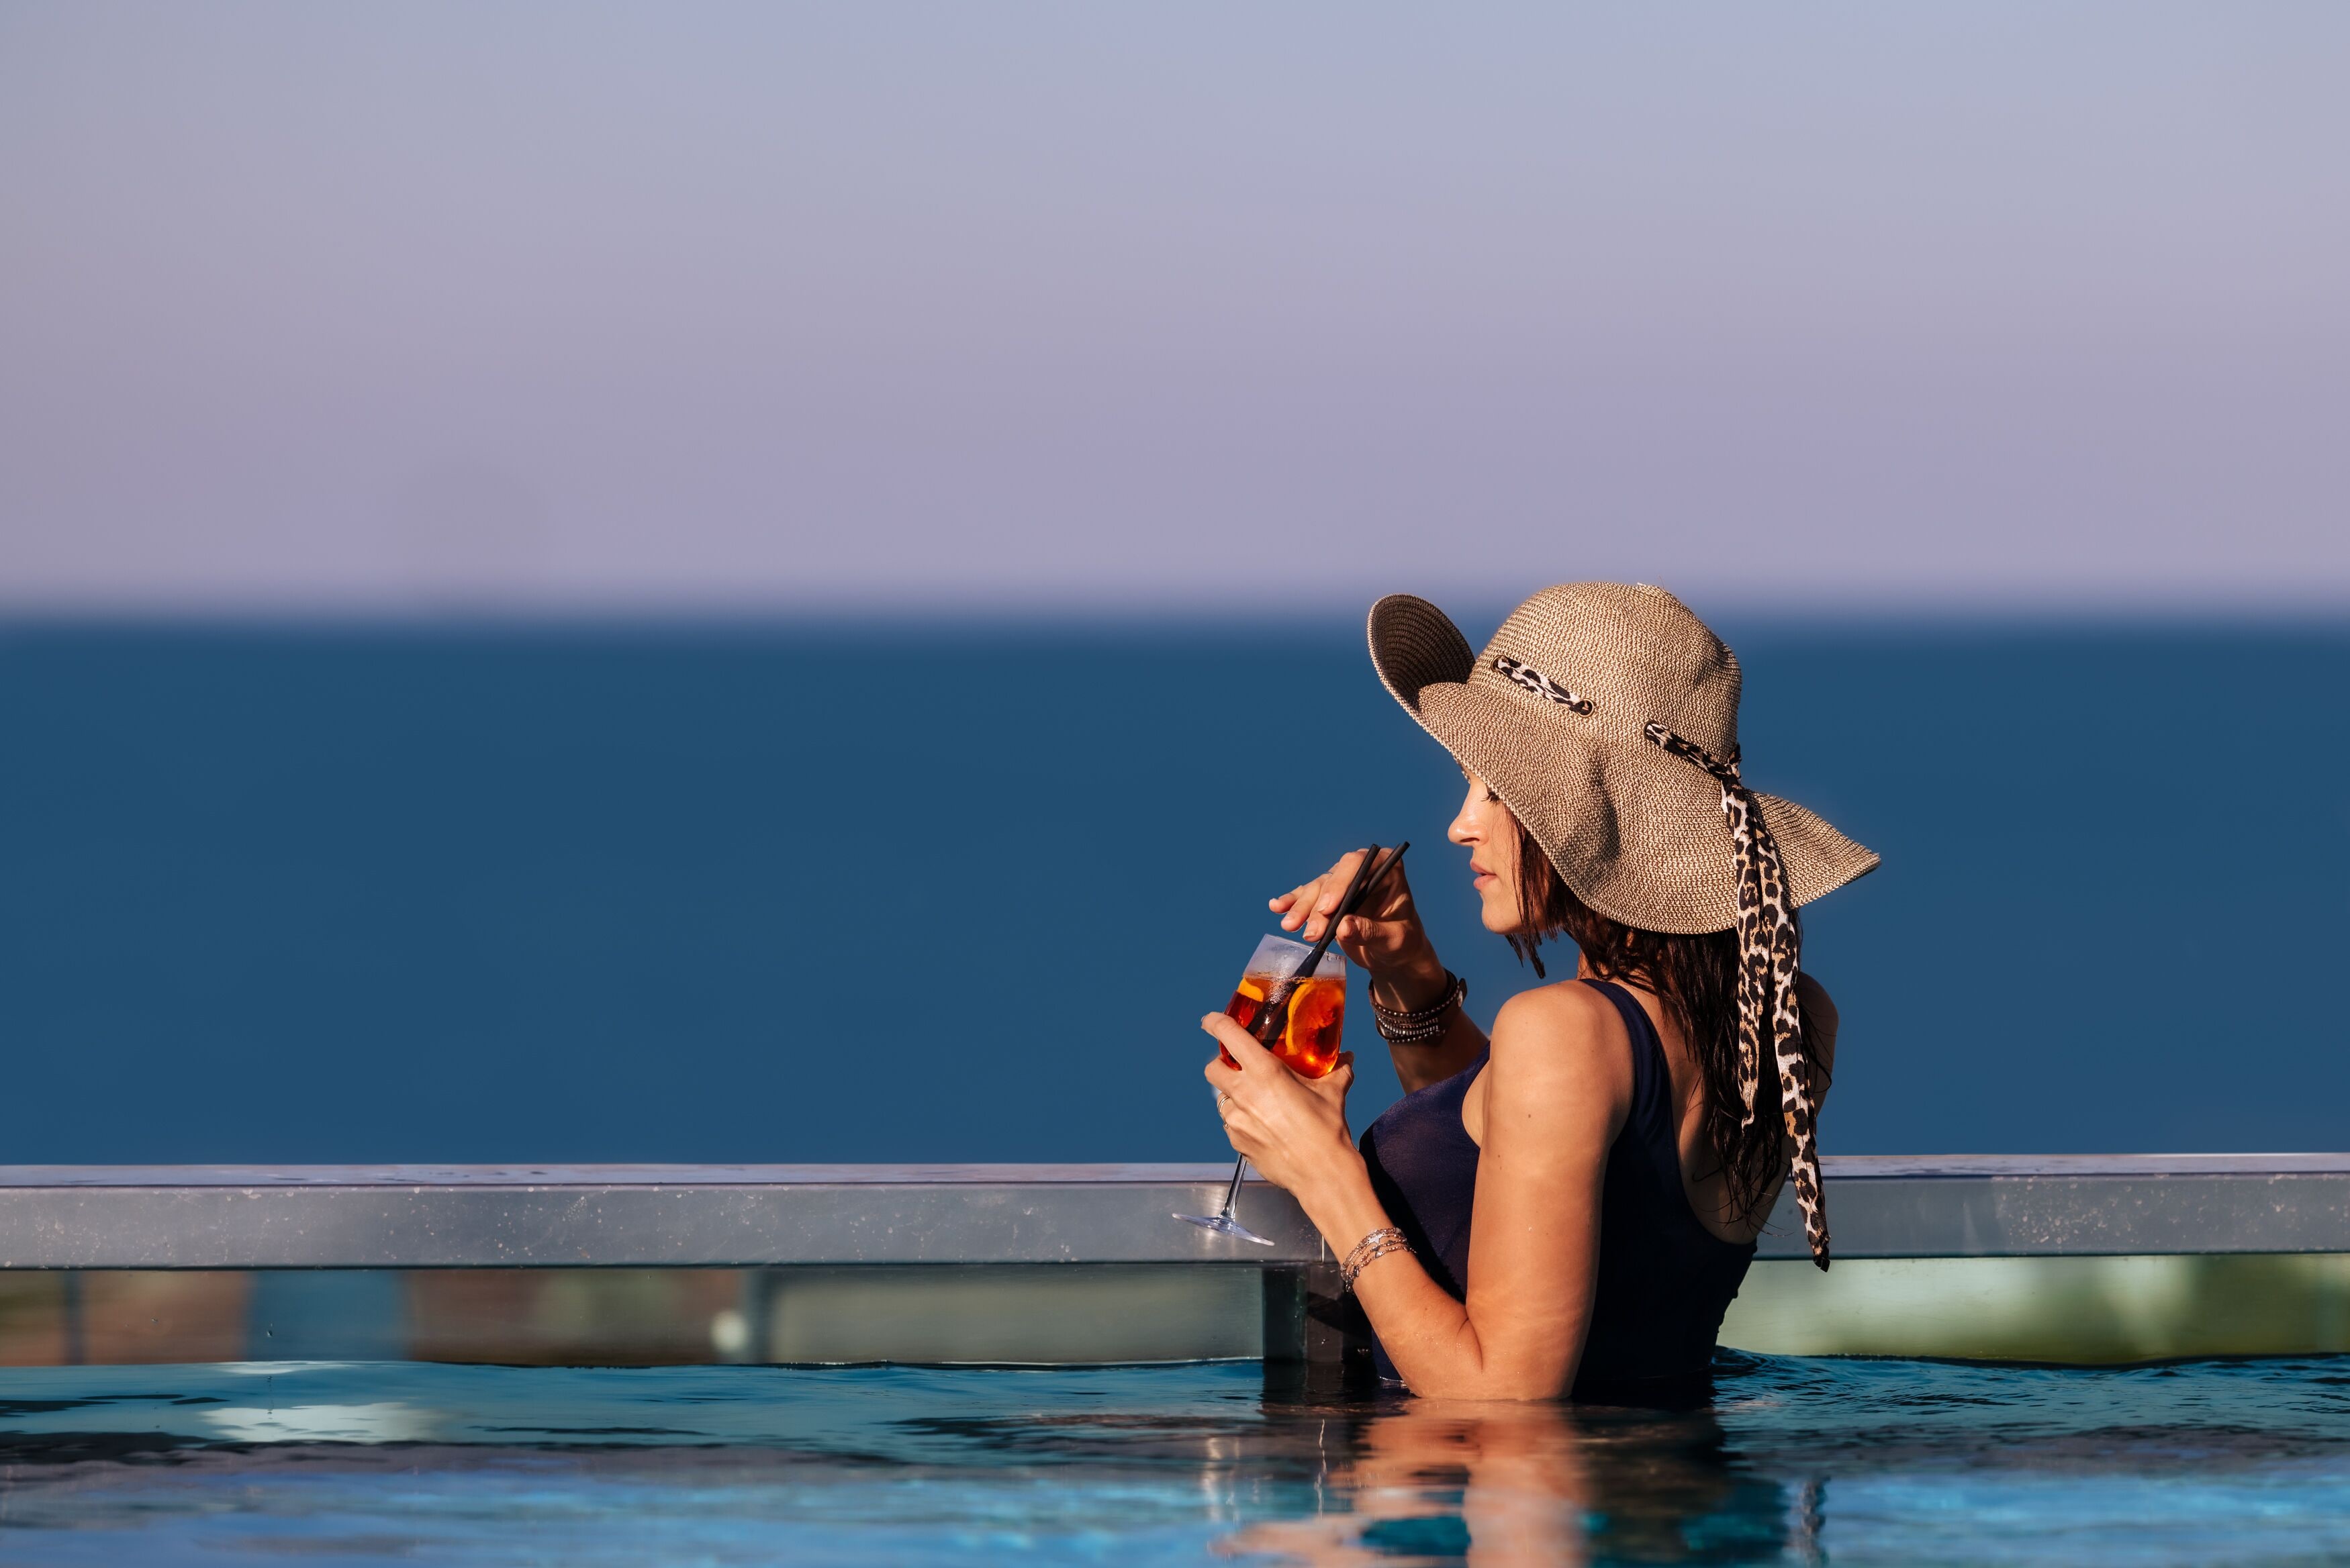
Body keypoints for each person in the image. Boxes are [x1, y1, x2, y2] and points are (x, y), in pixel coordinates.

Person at [1203, 583, 1877, 1402]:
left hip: (1499, 1516)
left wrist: (1324, 1172)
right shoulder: (1783, 1011)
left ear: (1585, 814)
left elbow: (1504, 1396)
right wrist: (1407, 971)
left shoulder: (1564, 1029)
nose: (1459, 824)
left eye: (1494, 790)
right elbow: (1516, 1158)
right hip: (1677, 1504)